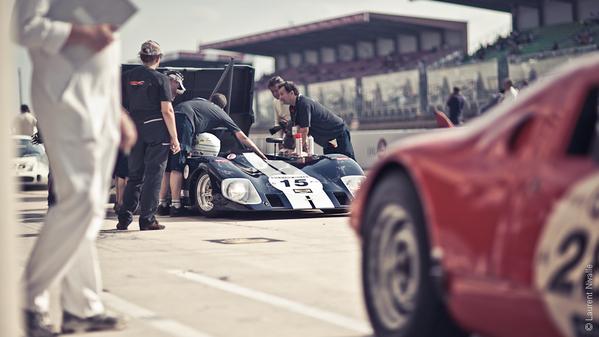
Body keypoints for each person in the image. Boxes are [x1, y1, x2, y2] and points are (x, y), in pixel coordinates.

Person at [12, 1, 137, 336]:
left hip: (100, 107)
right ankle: (27, 300)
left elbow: (105, 56)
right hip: (66, 101)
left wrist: (116, 111)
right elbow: (22, 27)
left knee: (90, 210)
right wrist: (80, 33)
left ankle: (81, 308)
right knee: (78, 201)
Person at [158, 88, 267, 216]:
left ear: (210, 100)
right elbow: (242, 137)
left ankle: (162, 204)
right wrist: (261, 154)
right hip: (184, 121)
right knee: (178, 165)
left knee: (168, 166)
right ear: (222, 107)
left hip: (170, 117)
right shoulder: (219, 112)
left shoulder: (199, 101)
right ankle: (176, 206)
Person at [117, 40, 180, 231]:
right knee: (154, 175)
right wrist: (175, 138)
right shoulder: (161, 79)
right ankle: (147, 220)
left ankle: (124, 219)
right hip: (156, 130)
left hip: (135, 130)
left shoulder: (126, 77)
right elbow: (167, 110)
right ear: (158, 58)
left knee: (135, 175)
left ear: (142, 57)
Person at [277, 81, 355, 159]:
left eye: (282, 94)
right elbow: (297, 129)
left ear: (291, 93)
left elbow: (304, 130)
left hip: (338, 133)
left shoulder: (303, 103)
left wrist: (297, 151)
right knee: (332, 165)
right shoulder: (293, 107)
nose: (280, 97)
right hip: (327, 140)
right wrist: (296, 148)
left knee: (348, 162)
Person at [267, 76, 293, 149]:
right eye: (272, 92)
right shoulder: (275, 102)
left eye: (276, 90)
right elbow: (278, 122)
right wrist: (280, 140)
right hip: (287, 135)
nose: (275, 94)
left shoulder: (292, 99)